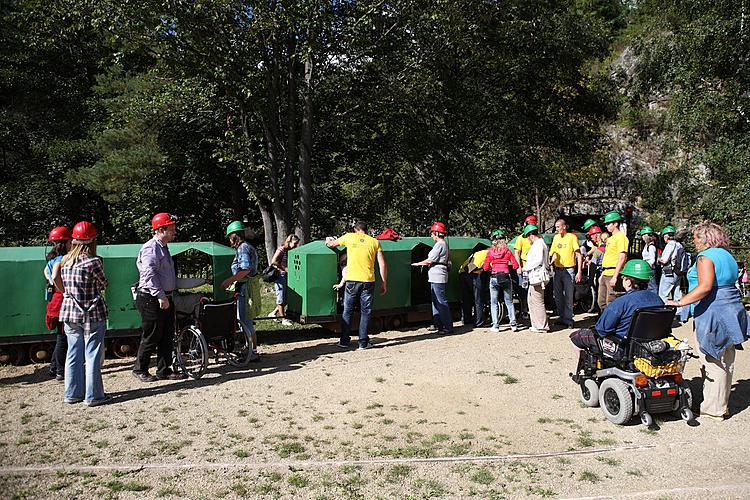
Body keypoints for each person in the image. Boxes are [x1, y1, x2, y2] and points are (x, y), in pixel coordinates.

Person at [665, 222, 749, 421]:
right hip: (732, 308)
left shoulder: (705, 257)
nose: (694, 242)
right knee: (726, 359)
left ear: (705, 238)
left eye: (695, 237)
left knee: (712, 360)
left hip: (713, 311)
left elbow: (705, 287)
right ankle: (721, 404)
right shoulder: (727, 255)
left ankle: (713, 408)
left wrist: (680, 302)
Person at [52, 221, 108, 406]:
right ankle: (93, 396)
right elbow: (103, 284)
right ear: (92, 241)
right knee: (92, 354)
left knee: (73, 353)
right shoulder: (94, 261)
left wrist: (66, 291)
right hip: (92, 311)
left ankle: (72, 394)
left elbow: (55, 279)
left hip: (69, 311)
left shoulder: (64, 260)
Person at [133, 213, 187, 382]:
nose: (174, 231)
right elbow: (149, 276)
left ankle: (164, 370)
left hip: (163, 296)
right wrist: (161, 296)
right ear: (161, 229)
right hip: (151, 297)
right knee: (152, 334)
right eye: (171, 229)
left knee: (167, 334)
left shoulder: (163, 247)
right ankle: (140, 369)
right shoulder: (151, 248)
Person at [570, 259, 663, 354]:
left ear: (628, 281)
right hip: (648, 345)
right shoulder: (658, 300)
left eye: (623, 277)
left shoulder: (621, 302)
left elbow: (602, 330)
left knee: (575, 337)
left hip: (622, 346)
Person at [326, 221, 388, 348]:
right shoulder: (375, 242)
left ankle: (344, 341)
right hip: (368, 281)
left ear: (356, 229)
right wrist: (384, 282)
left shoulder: (349, 237)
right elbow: (382, 264)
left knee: (347, 311)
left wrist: (327, 241)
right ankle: (363, 343)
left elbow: (332, 244)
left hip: (352, 280)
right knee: (365, 312)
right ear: (366, 230)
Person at [221, 221, 261, 360]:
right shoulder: (247, 247)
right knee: (247, 320)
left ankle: (252, 352)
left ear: (234, 236)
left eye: (229, 236)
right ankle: (250, 349)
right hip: (247, 287)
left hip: (245, 288)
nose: (229, 240)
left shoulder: (243, 248)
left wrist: (229, 281)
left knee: (245, 320)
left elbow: (245, 270)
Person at [413, 222, 453, 334]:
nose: (431, 236)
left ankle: (447, 327)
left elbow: (430, 260)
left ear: (436, 233)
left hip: (438, 277)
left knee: (440, 301)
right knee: (436, 301)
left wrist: (417, 264)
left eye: (432, 233)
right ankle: (438, 324)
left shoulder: (440, 245)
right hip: (436, 276)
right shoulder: (443, 244)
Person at [44, 226, 72, 381]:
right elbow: (55, 276)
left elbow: (46, 272)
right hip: (62, 301)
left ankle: (54, 367)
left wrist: (51, 282)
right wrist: (64, 290)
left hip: (54, 301)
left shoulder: (51, 259)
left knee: (60, 336)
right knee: (63, 337)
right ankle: (61, 370)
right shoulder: (63, 260)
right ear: (66, 242)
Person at [483, 230, 519, 332]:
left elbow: (485, 268)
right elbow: (516, 265)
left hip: (494, 277)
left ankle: (495, 325)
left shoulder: (490, 252)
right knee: (509, 301)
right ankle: (513, 325)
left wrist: (492, 266)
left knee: (494, 302)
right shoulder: (508, 251)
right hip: (506, 277)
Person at [549, 217, 583, 328]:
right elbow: (553, 252)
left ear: (564, 227)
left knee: (568, 296)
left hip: (569, 269)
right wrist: (551, 262)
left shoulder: (572, 237)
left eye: (558, 227)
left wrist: (579, 271)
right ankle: (562, 317)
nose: (557, 229)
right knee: (558, 296)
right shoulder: (556, 238)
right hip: (557, 270)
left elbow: (578, 254)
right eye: (556, 227)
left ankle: (569, 320)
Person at [598, 210, 629, 311]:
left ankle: (613, 325)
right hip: (606, 272)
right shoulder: (610, 239)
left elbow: (622, 257)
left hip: (613, 273)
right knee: (601, 302)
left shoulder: (621, 238)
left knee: (611, 302)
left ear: (615, 223)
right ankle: (605, 324)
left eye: (608, 223)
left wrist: (615, 276)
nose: (606, 226)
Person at [522, 224, 550, 333]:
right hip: (536, 276)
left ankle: (542, 325)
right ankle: (537, 324)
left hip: (537, 276)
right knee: (532, 300)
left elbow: (538, 260)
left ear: (530, 235)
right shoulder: (541, 243)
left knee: (538, 301)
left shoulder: (538, 244)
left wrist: (526, 268)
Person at [658, 225, 688, 323]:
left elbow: (665, 260)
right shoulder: (679, 244)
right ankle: (678, 313)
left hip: (668, 272)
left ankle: (662, 314)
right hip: (678, 272)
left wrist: (659, 259)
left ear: (666, 236)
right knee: (677, 293)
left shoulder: (670, 245)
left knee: (663, 293)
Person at [269, 234, 301, 326]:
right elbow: (273, 261)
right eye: (295, 243)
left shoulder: (290, 250)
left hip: (287, 276)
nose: (296, 245)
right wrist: (284, 268)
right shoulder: (281, 249)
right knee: (281, 298)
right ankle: (283, 319)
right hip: (280, 276)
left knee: (286, 298)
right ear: (289, 241)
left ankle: (273, 314)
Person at [514, 215, 537, 320]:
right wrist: (518, 266)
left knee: (536, 290)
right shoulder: (521, 238)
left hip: (536, 268)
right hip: (524, 268)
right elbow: (517, 252)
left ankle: (535, 311)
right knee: (524, 291)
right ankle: (524, 310)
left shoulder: (538, 237)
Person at [458, 246, 488, 327]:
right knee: (478, 298)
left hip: (462, 273)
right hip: (474, 274)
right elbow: (489, 266)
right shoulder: (489, 253)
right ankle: (479, 322)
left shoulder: (476, 253)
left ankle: (467, 320)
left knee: (466, 299)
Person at [640, 226, 658, 293]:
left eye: (644, 235)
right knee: (647, 285)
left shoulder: (651, 246)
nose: (642, 237)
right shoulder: (646, 246)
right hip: (646, 268)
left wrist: (647, 265)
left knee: (652, 285)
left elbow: (652, 260)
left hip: (650, 269)